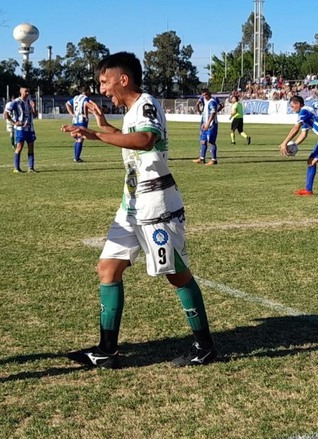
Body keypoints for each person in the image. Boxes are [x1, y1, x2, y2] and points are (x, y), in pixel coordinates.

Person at [61, 52, 217, 369]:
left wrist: (98, 134)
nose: (102, 90)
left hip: (156, 206)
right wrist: (104, 126)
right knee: (108, 268)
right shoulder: (132, 110)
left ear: (123, 79)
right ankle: (107, 351)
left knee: (176, 275)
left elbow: (146, 139)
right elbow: (131, 138)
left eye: (105, 82)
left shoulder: (146, 103)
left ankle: (204, 347)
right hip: (130, 205)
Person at [279, 95, 318, 196]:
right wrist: (294, 145)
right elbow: (303, 134)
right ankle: (308, 190)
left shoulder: (304, 111)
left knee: (312, 161)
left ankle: (308, 190)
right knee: (311, 161)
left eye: (293, 106)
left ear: (298, 104)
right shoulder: (305, 114)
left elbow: (296, 128)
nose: (292, 109)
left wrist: (284, 142)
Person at [5, 86, 38, 173]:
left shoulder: (30, 102)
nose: (27, 93)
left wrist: (34, 107)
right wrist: (14, 123)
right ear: (21, 92)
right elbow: (6, 113)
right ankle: (16, 168)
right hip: (20, 129)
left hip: (30, 129)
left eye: (28, 91)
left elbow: (35, 115)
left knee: (31, 147)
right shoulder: (16, 102)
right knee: (19, 146)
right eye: (25, 91)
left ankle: (31, 168)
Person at [193, 89, 221, 165]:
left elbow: (213, 113)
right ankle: (202, 158)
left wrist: (208, 123)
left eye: (206, 95)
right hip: (205, 124)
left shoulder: (212, 102)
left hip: (211, 125)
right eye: (203, 95)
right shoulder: (205, 101)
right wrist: (204, 123)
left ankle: (214, 160)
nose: (205, 96)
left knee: (211, 142)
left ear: (209, 94)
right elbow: (204, 113)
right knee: (203, 141)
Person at [65, 86, 92, 162]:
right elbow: (85, 105)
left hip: (75, 119)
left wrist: (71, 114)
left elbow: (67, 104)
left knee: (77, 138)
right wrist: (86, 115)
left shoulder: (76, 97)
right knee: (80, 138)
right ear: (87, 91)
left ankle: (76, 157)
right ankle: (77, 158)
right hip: (81, 120)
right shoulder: (85, 98)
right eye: (89, 91)